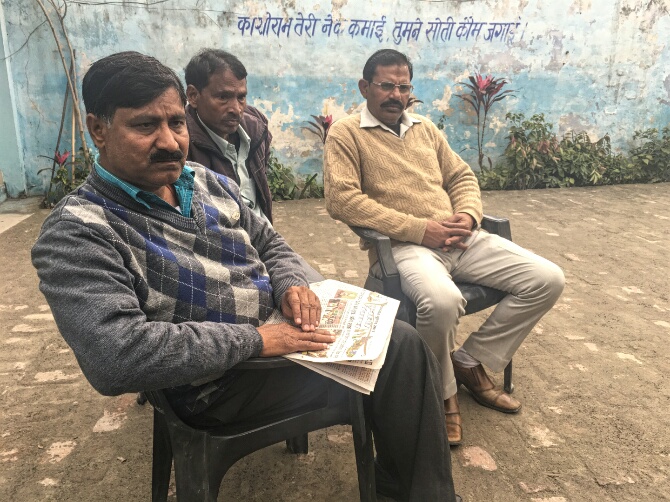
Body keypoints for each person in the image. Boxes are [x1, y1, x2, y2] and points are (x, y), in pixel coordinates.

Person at [31, 51, 460, 501]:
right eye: (144, 126)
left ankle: (404, 486)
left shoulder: (203, 180)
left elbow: (271, 243)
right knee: (404, 354)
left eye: (176, 123)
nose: (170, 142)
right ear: (98, 129)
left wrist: (291, 282)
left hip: (281, 340)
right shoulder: (77, 231)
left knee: (398, 338)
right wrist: (257, 340)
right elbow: (115, 358)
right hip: (214, 385)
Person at [324, 49, 565, 446]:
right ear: (365, 87)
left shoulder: (425, 128)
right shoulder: (347, 133)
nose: (395, 95)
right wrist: (419, 230)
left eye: (403, 87)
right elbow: (342, 199)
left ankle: (470, 362)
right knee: (440, 302)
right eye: (386, 85)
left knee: (548, 279)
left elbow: (461, 176)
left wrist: (469, 216)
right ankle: (444, 394)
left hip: (460, 238)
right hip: (407, 246)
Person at [184, 48, 273, 224]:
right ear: (193, 96)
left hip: (265, 237)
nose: (236, 109)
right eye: (223, 97)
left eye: (241, 97)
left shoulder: (256, 127)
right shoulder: (181, 143)